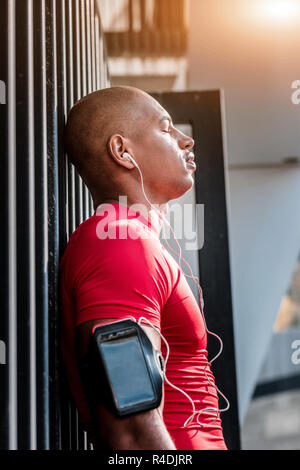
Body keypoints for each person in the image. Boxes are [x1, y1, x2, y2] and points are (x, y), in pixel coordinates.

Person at [60, 86, 227, 450]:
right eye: (167, 128)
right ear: (122, 151)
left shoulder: (130, 238)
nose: (187, 140)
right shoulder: (119, 240)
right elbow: (131, 434)